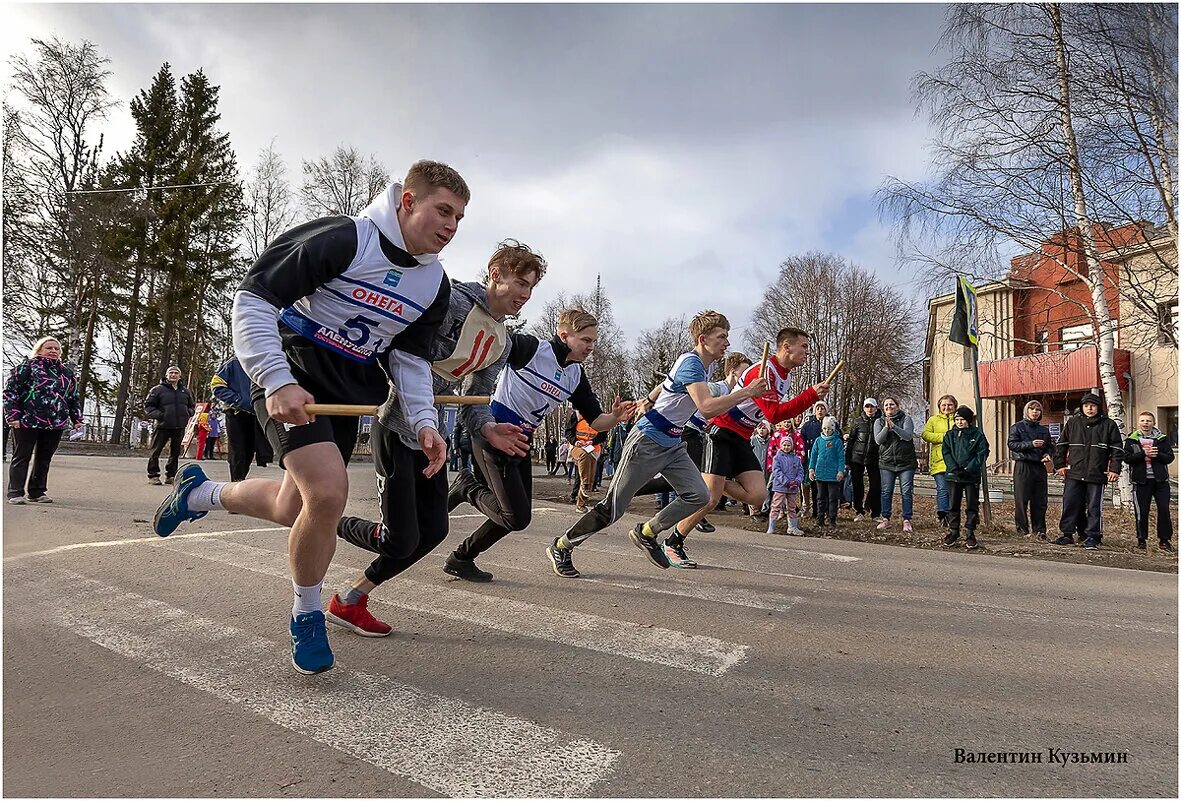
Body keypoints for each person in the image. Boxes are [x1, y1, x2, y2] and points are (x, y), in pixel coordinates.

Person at [150, 162, 467, 674]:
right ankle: (308, 613)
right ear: (408, 202)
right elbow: (253, 298)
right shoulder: (345, 238)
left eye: (459, 218)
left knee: (291, 505)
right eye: (443, 210)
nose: (452, 226)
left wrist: (425, 422)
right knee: (326, 494)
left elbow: (410, 360)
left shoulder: (434, 285)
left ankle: (199, 494)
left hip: (344, 394)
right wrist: (275, 378)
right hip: (289, 373)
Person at [325, 243, 545, 634]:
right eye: (520, 283)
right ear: (495, 273)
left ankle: (351, 598)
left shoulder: (502, 342)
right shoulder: (452, 300)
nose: (524, 295)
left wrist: (489, 428)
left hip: (430, 438)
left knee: (435, 530)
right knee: (400, 540)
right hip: (394, 422)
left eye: (531, 289)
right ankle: (325, 522)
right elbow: (403, 351)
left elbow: (475, 399)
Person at [545, 310, 768, 578]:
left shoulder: (703, 366)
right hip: (648, 441)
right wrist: (747, 392)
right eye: (722, 337)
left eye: (727, 337)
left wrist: (648, 398)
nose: (727, 343)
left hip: (673, 444)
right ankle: (562, 545)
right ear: (703, 338)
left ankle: (647, 532)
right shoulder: (692, 363)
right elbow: (706, 408)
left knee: (699, 495)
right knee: (613, 508)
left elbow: (667, 384)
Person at [447, 307, 636, 583]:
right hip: (495, 434)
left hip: (521, 442)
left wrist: (616, 418)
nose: (591, 347)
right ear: (564, 335)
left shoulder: (575, 375)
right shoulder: (532, 349)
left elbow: (596, 421)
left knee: (517, 516)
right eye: (585, 340)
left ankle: (461, 559)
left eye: (593, 341)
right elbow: (490, 348)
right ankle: (467, 488)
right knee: (515, 517)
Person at [671, 327, 830, 560]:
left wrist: (811, 396)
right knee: (710, 499)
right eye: (804, 346)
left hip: (742, 436)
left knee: (757, 496)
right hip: (722, 431)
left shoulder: (785, 375)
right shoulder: (765, 370)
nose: (808, 352)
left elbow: (774, 413)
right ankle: (673, 542)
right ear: (786, 347)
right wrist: (810, 396)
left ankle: (712, 480)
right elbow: (774, 414)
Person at [4, 336, 82, 504]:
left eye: (56, 349)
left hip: (56, 422)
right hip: (27, 420)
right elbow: (10, 392)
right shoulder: (27, 367)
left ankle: (37, 491)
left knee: (44, 458)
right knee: (22, 456)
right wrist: (12, 416)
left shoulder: (66, 373)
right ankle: (15, 492)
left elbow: (72, 398)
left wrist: (77, 419)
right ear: (39, 350)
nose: (53, 351)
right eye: (49, 348)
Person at [1052, 392, 1124, 550]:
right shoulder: (1073, 422)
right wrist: (1060, 466)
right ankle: (1067, 534)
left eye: (1093, 406)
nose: (1089, 409)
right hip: (1074, 473)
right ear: (1082, 407)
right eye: (1086, 406)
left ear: (1098, 407)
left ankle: (1093, 536)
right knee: (1070, 503)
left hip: (1096, 474)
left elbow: (1117, 450)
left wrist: (1114, 469)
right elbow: (1061, 446)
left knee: (1094, 507)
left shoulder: (1109, 425)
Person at [210, 355, 271, 481]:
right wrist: (238, 400)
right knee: (237, 451)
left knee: (250, 451)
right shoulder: (234, 362)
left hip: (257, 414)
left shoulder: (265, 361)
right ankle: (236, 483)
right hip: (236, 413)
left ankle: (240, 481)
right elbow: (216, 385)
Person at [1124, 411, 1174, 552]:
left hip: (1161, 481)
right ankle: (1141, 540)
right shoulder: (1132, 439)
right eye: (1143, 421)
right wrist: (1143, 454)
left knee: (1164, 509)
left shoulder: (1162, 439)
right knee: (1142, 511)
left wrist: (1157, 454)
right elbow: (1127, 458)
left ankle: (1164, 541)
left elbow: (1170, 457)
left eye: (1149, 421)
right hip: (1141, 482)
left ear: (1154, 423)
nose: (1146, 423)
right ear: (1138, 423)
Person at [941, 406, 990, 550]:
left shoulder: (977, 435)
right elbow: (946, 452)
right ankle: (953, 531)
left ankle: (970, 532)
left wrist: (969, 469)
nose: (960, 422)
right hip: (953, 475)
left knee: (972, 505)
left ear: (968, 420)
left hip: (971, 476)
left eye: (962, 419)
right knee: (953, 505)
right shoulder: (950, 435)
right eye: (957, 419)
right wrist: (953, 468)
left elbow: (981, 453)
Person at [1007, 400, 1053, 539]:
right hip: (1023, 465)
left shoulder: (1044, 430)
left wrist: (1048, 455)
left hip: (1039, 466)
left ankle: (1039, 530)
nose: (1035, 412)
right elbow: (1012, 444)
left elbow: (1050, 446)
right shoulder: (1017, 427)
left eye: (1038, 410)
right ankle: (1022, 530)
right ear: (1026, 411)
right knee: (1021, 499)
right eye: (1032, 409)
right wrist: (1030, 444)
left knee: (1040, 500)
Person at [144, 366, 195, 485]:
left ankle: (171, 475)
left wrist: (188, 413)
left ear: (180, 376)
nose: (173, 375)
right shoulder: (157, 390)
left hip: (179, 426)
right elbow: (148, 406)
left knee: (175, 452)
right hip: (163, 425)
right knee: (155, 451)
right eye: (171, 373)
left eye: (176, 373)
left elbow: (191, 406)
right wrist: (161, 415)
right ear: (166, 375)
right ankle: (153, 475)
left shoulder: (185, 391)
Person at [875, 396, 918, 532]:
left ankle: (907, 520)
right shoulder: (879, 421)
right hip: (887, 463)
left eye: (892, 405)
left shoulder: (906, 419)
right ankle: (886, 519)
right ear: (883, 409)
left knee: (906, 492)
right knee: (886, 492)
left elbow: (907, 436)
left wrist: (894, 427)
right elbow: (878, 440)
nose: (889, 407)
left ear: (897, 406)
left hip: (906, 463)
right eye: (886, 406)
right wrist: (887, 428)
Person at [921, 394, 957, 527]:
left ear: (954, 406)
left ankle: (953, 514)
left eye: (949, 405)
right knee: (942, 489)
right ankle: (943, 515)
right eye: (944, 405)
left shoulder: (958, 419)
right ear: (939, 407)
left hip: (955, 461)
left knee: (953, 490)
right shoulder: (933, 420)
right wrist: (944, 437)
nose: (947, 407)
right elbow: (925, 434)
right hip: (939, 460)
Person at [800, 400, 838, 522]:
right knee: (815, 488)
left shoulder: (832, 422)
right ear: (814, 410)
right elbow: (802, 439)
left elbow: (839, 436)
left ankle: (829, 513)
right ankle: (817, 512)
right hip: (813, 458)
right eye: (818, 408)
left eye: (822, 408)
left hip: (830, 460)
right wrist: (804, 451)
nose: (820, 410)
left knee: (829, 491)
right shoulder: (808, 424)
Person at [845, 398, 882, 521]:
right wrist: (847, 460)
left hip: (875, 458)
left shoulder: (881, 421)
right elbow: (851, 440)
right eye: (867, 406)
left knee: (876, 486)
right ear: (864, 408)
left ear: (876, 408)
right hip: (857, 458)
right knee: (857, 486)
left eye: (872, 406)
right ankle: (859, 511)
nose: (870, 409)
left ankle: (875, 513)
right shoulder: (858, 421)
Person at [808, 415, 846, 527]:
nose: (827, 431)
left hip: (833, 475)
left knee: (833, 497)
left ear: (833, 429)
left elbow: (841, 458)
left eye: (829, 429)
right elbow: (813, 456)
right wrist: (811, 469)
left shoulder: (837, 441)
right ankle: (820, 518)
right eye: (825, 428)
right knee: (820, 497)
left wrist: (840, 471)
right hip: (820, 474)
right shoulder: (818, 441)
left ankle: (832, 518)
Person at [567, 409, 605, 512]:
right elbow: (569, 431)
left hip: (593, 449)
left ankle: (581, 502)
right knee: (584, 460)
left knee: (590, 476)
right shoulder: (577, 414)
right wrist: (575, 441)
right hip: (577, 447)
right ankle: (584, 487)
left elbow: (603, 435)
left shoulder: (601, 417)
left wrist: (592, 442)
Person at [767, 436, 804, 535]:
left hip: (793, 488)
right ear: (781, 445)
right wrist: (786, 482)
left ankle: (792, 527)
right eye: (784, 445)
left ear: (792, 446)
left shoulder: (796, 459)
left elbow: (801, 472)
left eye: (788, 445)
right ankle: (771, 527)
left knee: (792, 507)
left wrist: (797, 481)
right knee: (776, 506)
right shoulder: (777, 458)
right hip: (780, 487)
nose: (786, 447)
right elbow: (777, 472)